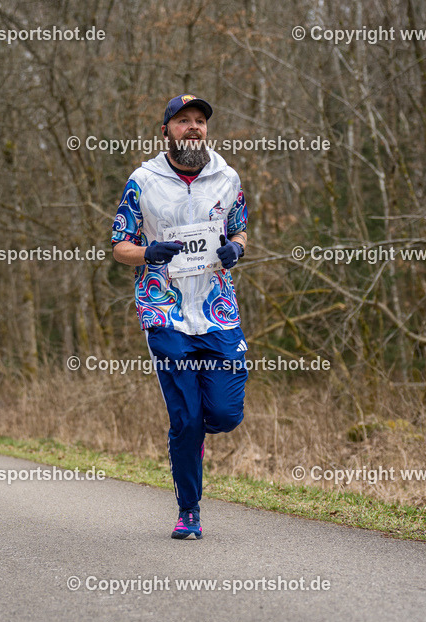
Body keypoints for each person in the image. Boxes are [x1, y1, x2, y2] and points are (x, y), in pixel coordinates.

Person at [111, 95, 250, 539]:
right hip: (164, 311)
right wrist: (146, 252)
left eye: (199, 121)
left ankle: (196, 432)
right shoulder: (142, 181)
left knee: (226, 414)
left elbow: (240, 230)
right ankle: (188, 510)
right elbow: (119, 247)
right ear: (166, 130)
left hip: (217, 311)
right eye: (183, 121)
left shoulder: (227, 178)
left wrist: (237, 249)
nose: (193, 127)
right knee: (186, 420)